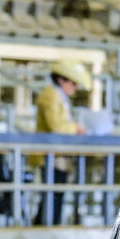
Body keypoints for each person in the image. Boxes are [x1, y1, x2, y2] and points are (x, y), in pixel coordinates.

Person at [30, 60, 90, 225]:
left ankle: (45, 225)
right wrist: (75, 128)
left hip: (57, 156)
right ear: (61, 79)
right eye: (73, 83)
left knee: (54, 196)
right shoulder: (51, 95)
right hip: (51, 156)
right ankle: (45, 226)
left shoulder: (58, 96)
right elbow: (55, 125)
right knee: (52, 196)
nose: (75, 87)